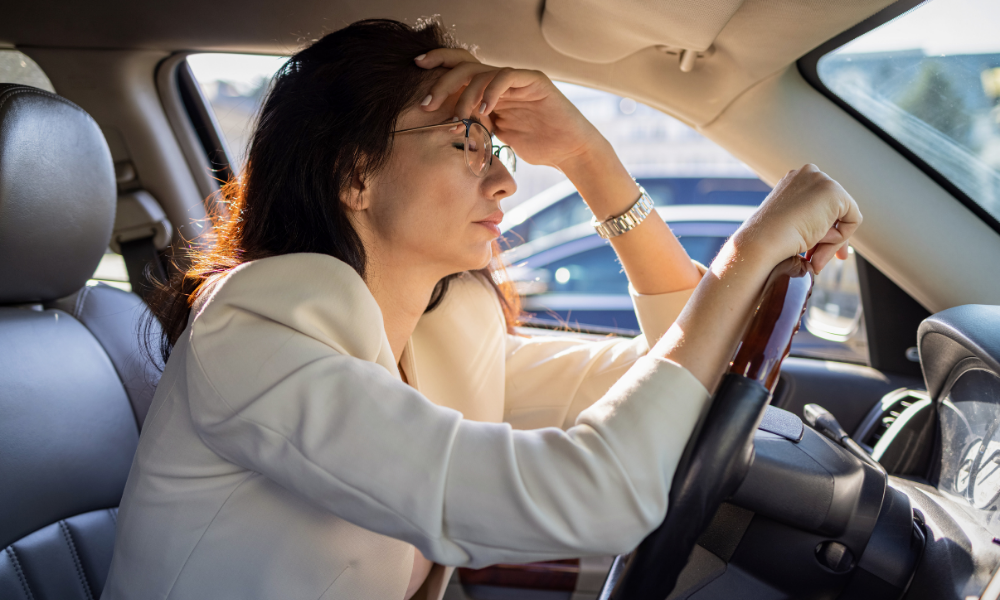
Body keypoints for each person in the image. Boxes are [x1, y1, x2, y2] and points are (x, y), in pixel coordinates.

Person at [101, 18, 860, 600]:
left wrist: (590, 159)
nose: (505, 183)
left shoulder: (442, 332)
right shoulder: (258, 326)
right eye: (467, 141)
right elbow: (595, 494)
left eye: (498, 149)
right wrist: (750, 253)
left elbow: (689, 376)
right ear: (353, 173)